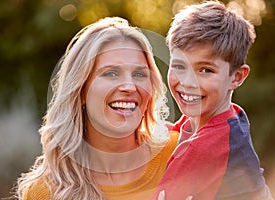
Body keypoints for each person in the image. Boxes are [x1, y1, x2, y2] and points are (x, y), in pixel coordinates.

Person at [14, 17, 179, 200]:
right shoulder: (45, 192)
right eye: (111, 73)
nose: (130, 87)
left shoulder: (181, 154)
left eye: (139, 74)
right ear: (81, 90)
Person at [151, 1, 273, 200]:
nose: (188, 82)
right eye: (180, 66)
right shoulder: (231, 118)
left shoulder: (205, 148)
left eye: (206, 70)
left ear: (237, 77)